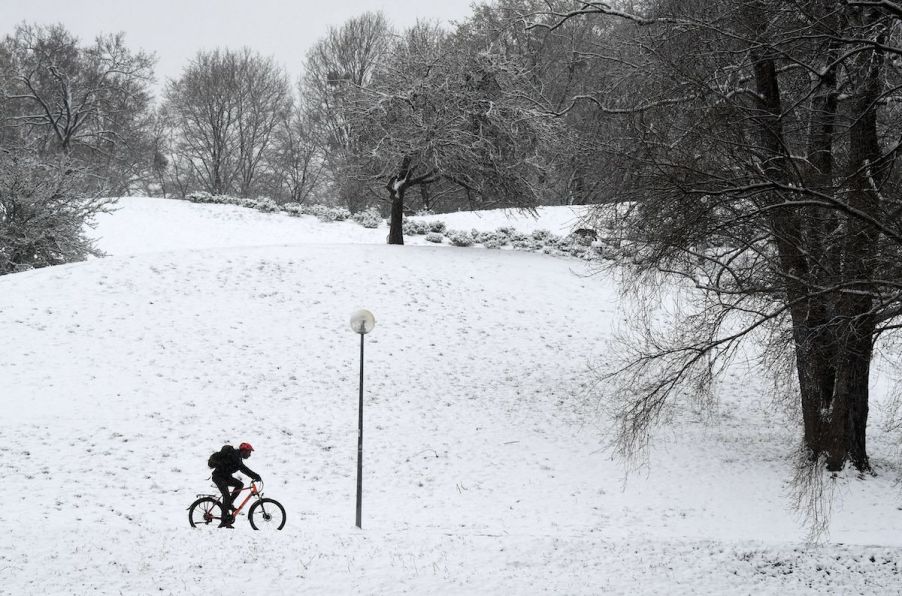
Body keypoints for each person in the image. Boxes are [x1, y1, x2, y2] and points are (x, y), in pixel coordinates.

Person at [210, 442, 262, 528]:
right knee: (226, 496)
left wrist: (255, 476)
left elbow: (242, 468)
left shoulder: (237, 457)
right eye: (249, 452)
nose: (249, 455)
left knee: (239, 484)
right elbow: (243, 469)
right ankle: (224, 521)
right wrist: (256, 476)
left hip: (225, 477)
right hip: (218, 477)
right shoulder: (235, 456)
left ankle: (229, 504)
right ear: (244, 451)